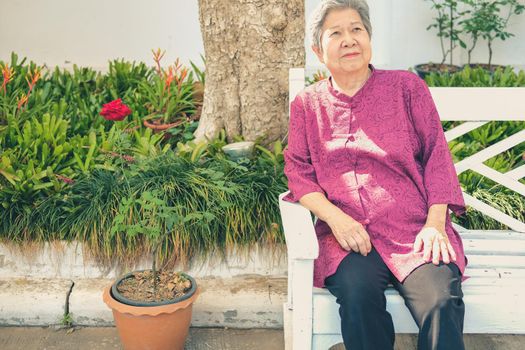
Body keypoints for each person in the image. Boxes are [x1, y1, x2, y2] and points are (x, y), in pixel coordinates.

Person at [283, 1, 467, 349]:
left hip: (412, 231)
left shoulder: (406, 88)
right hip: (348, 238)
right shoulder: (308, 105)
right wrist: (337, 221)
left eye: (357, 29)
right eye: (335, 33)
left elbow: (437, 158)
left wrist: (435, 224)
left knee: (441, 302)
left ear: (369, 38)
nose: (349, 40)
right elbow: (299, 172)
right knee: (357, 298)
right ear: (317, 51)